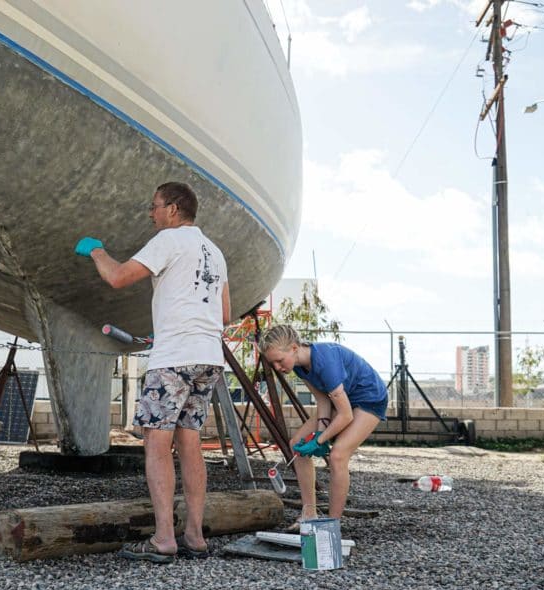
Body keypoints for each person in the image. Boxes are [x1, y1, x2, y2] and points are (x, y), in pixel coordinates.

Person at [74, 181, 230, 563]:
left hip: (175, 357)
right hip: (208, 357)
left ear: (174, 209)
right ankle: (194, 534)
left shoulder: (169, 240)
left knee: (157, 445)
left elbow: (117, 277)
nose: (151, 213)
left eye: (155, 206)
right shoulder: (215, 251)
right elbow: (223, 314)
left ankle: (163, 539)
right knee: (189, 443)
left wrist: (96, 250)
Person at [258, 325, 387, 526]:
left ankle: (331, 524)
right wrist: (319, 432)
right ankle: (309, 512)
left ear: (293, 348)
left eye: (279, 361)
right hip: (343, 399)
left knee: (337, 455)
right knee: (297, 444)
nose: (277, 367)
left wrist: (320, 439)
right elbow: (323, 401)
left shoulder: (325, 363)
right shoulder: (300, 366)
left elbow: (345, 416)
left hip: (369, 398)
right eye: (272, 363)